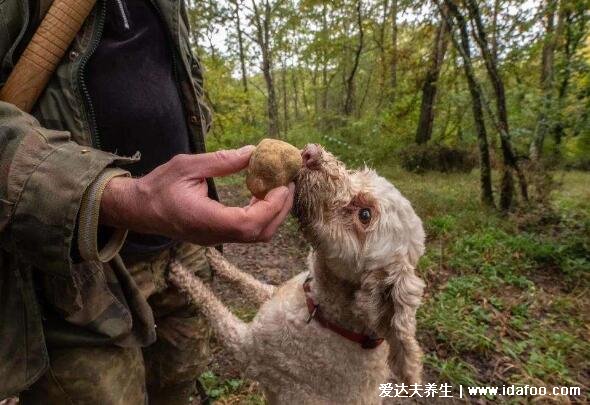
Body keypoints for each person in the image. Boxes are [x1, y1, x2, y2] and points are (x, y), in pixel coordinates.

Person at [0, 0, 294, 403]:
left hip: (183, 253)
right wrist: (118, 196)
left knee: (177, 384)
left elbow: (180, 77)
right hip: (74, 279)